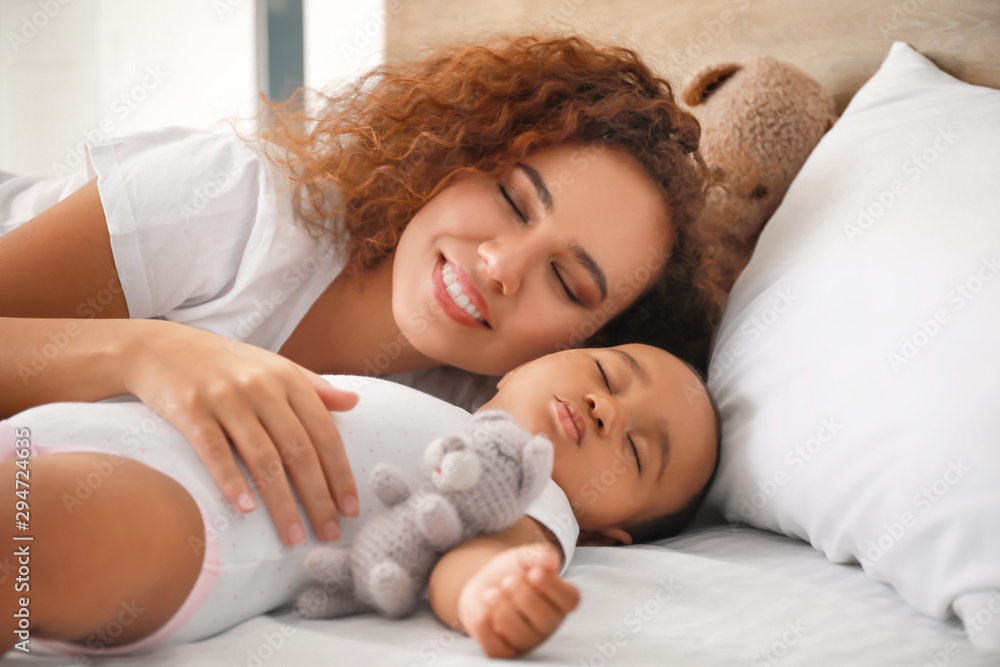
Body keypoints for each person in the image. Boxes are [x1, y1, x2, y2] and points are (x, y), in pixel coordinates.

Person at [0, 33, 718, 560]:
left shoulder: (477, 427)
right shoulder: (233, 206)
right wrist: (144, 353)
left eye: (567, 282)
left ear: (583, 342)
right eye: (510, 197)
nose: (501, 263)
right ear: (462, 151)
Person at [0, 343, 721, 659]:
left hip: (190, 519)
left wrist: (494, 591)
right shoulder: (438, 402)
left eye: (638, 450)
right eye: (609, 372)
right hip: (83, 430)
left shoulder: (543, 496)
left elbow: (486, 551)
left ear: (607, 535)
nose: (607, 411)